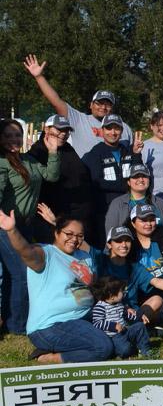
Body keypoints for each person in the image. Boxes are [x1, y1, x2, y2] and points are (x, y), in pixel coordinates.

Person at [0, 210, 113, 363]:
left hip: (84, 317)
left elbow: (93, 287)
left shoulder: (84, 256)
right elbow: (25, 251)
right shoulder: (46, 254)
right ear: (57, 233)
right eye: (69, 234)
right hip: (52, 325)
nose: (74, 239)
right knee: (103, 347)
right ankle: (51, 357)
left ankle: (68, 345)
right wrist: (11, 230)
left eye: (80, 236)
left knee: (121, 344)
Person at [0, 120, 61, 333]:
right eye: (8, 136)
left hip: (26, 226)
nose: (13, 140)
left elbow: (51, 175)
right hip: (7, 228)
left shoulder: (28, 159)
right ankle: (17, 325)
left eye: (17, 135)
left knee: (11, 274)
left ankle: (10, 320)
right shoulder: (2, 163)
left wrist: (53, 152)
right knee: (21, 273)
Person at [23, 54, 132, 157]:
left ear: (112, 107)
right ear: (91, 105)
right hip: (87, 176)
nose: (103, 107)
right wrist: (39, 77)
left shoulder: (124, 128)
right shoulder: (79, 119)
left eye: (108, 105)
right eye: (99, 103)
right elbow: (56, 101)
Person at [82, 114, 144, 243]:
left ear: (122, 131)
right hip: (105, 209)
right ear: (102, 130)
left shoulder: (127, 150)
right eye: (109, 128)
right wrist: (127, 186)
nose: (113, 132)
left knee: (129, 242)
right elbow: (97, 181)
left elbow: (138, 174)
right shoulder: (95, 152)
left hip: (129, 207)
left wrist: (137, 155)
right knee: (108, 244)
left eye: (117, 128)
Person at [29, 115, 94, 236]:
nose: (64, 133)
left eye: (66, 130)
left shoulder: (67, 148)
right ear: (46, 129)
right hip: (54, 220)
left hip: (78, 217)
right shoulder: (37, 151)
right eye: (59, 129)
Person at [90, 275, 153, 358]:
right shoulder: (100, 307)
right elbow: (97, 323)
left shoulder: (119, 304)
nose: (123, 293)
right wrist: (113, 326)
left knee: (140, 326)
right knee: (125, 350)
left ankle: (146, 350)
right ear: (112, 296)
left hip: (125, 331)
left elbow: (127, 315)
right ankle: (123, 350)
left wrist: (139, 316)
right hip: (114, 337)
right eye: (121, 291)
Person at [105, 163, 163, 235]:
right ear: (128, 182)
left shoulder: (161, 203)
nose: (141, 179)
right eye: (136, 176)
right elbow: (111, 236)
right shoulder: (117, 204)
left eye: (144, 176)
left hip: (159, 245)